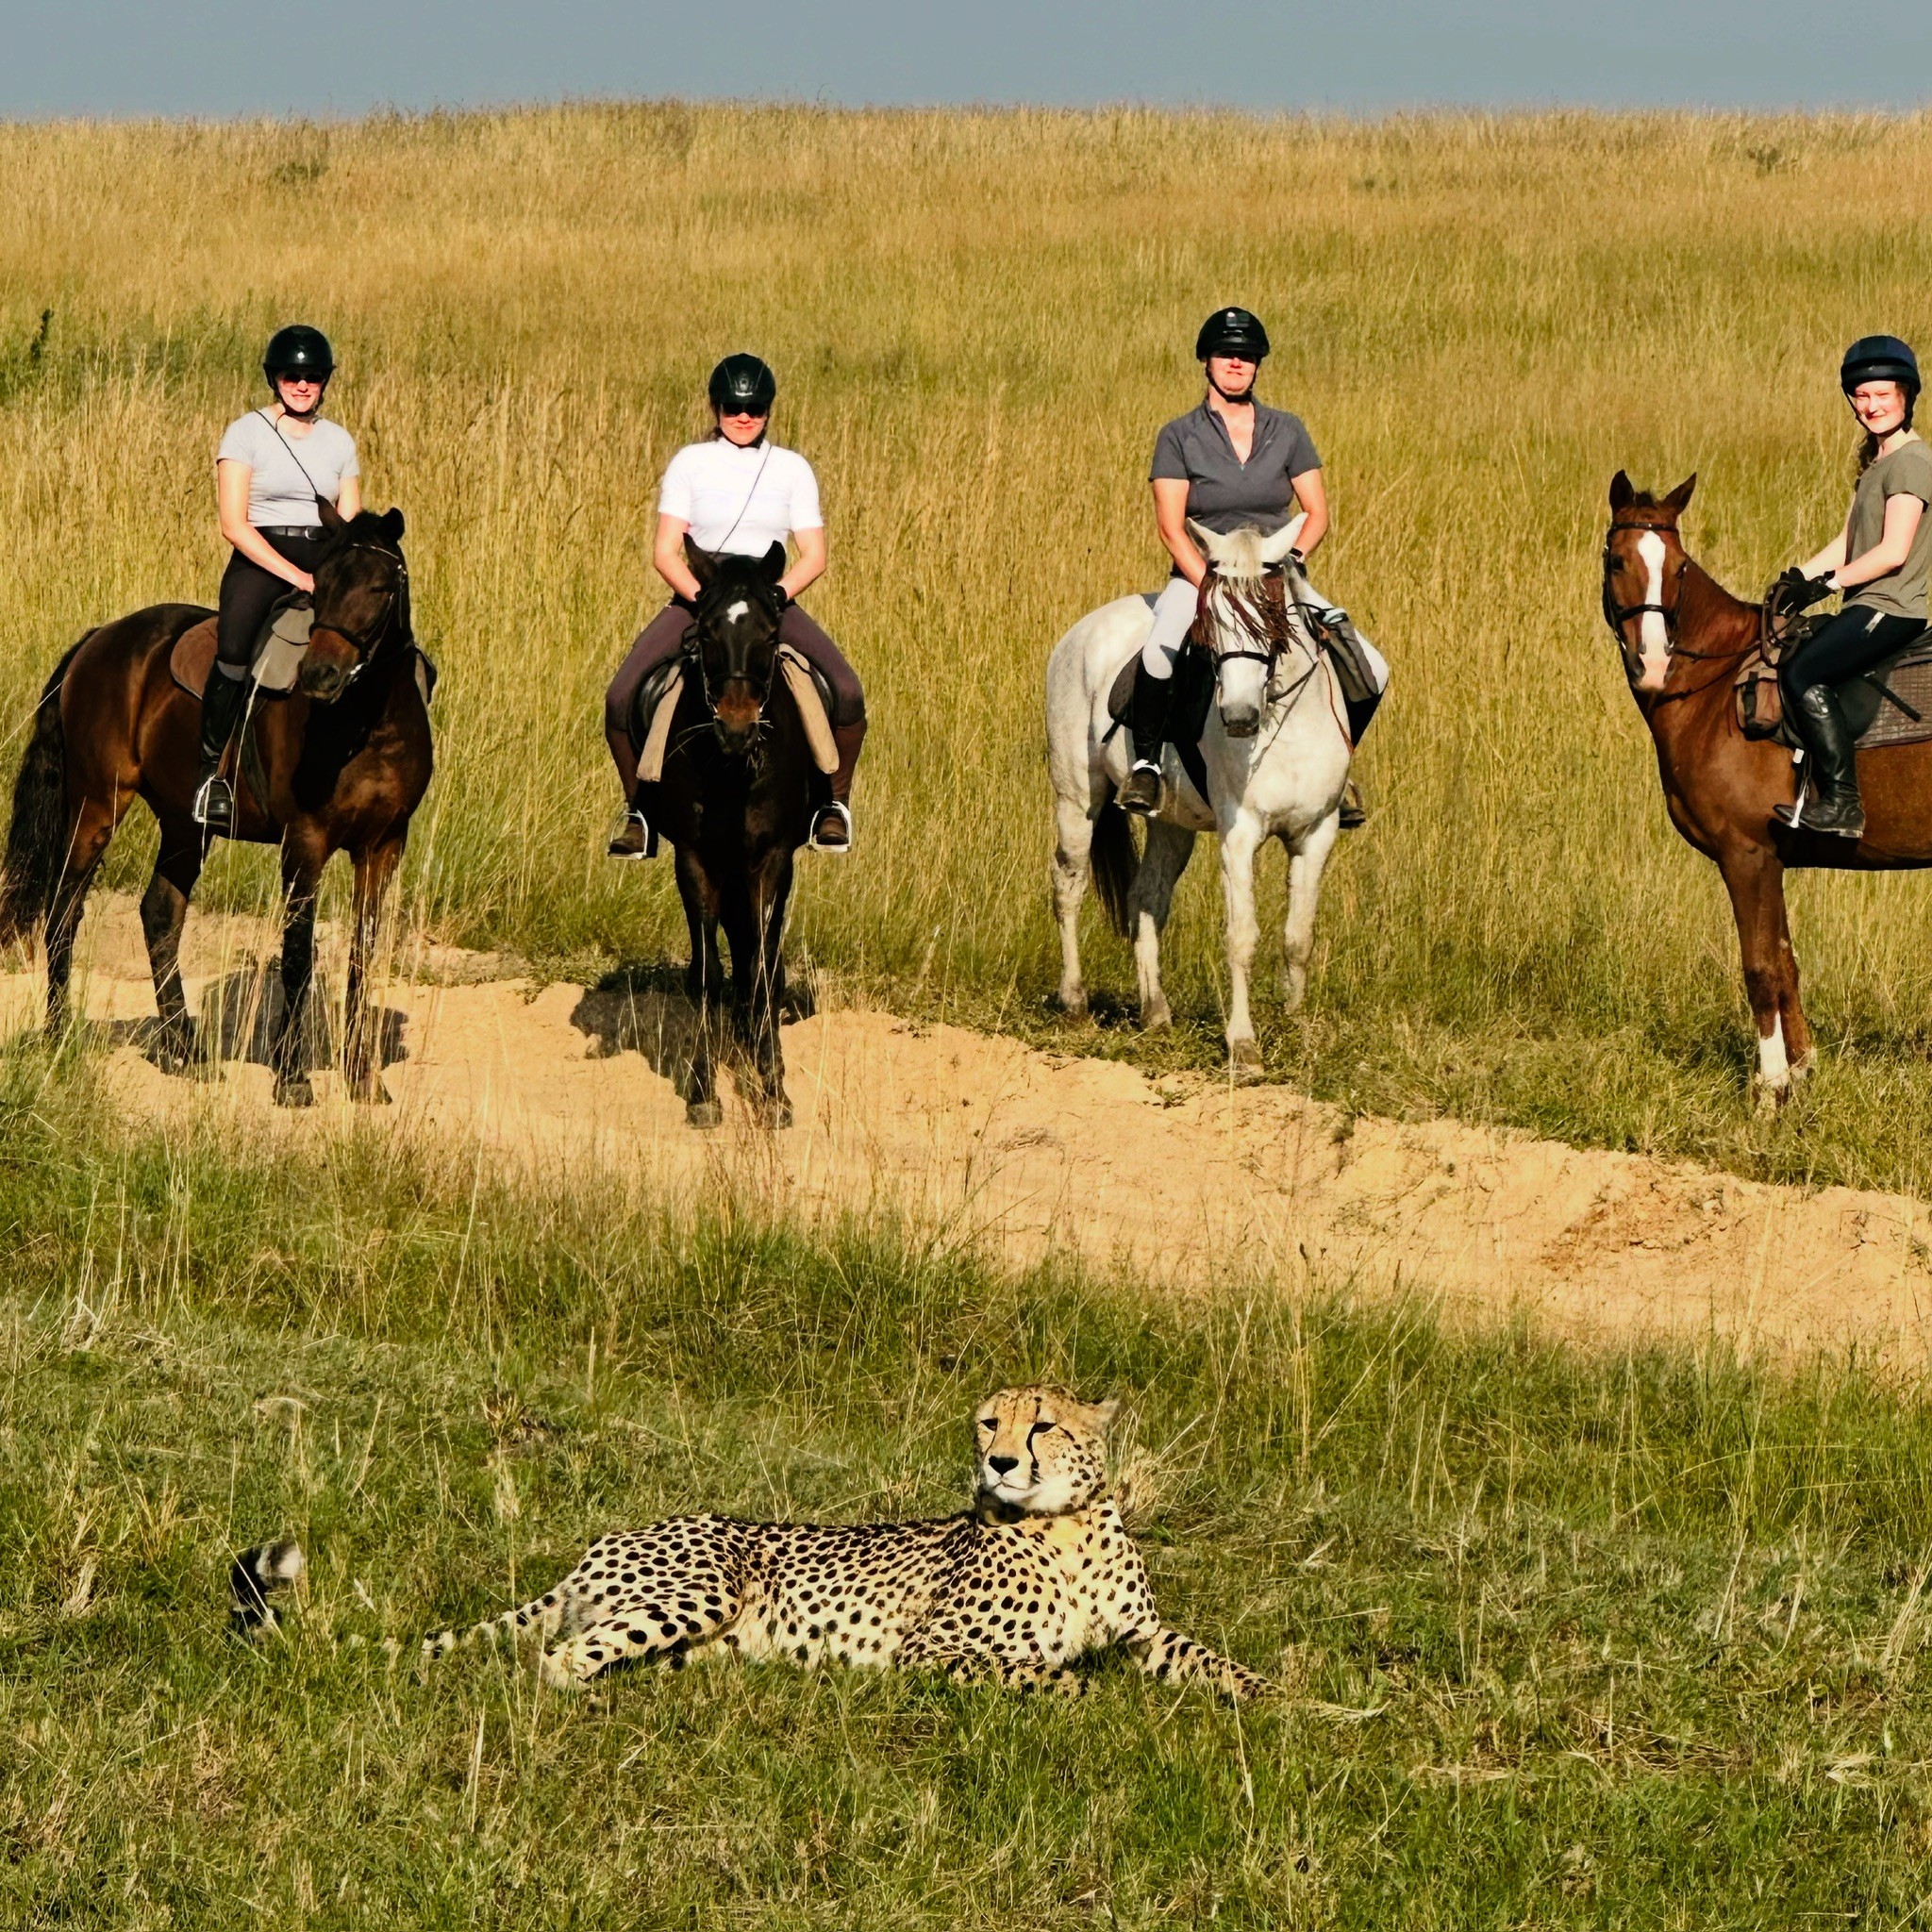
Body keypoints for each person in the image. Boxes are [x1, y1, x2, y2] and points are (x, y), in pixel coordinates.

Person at [1121, 307, 1386, 824]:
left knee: (1371, 667)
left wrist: (1292, 565)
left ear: (1258, 365)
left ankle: (1338, 771)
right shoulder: (1178, 436)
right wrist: (1215, 588)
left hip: (1275, 577)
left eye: (1246, 356)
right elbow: (1172, 527)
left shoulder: (1287, 430)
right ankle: (1148, 765)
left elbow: (1317, 510)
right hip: (1205, 578)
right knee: (1160, 650)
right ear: (1206, 361)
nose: (1236, 363)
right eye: (1226, 354)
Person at [605, 354, 866, 858]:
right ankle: (638, 811)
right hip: (700, 598)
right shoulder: (689, 463)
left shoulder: (792, 469)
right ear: (715, 406)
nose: (743, 417)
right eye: (732, 407)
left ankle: (833, 806)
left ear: (768, 410)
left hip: (769, 598)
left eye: (755, 408)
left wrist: (777, 597)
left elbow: (815, 554)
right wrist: (705, 602)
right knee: (620, 697)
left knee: (849, 694)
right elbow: (665, 550)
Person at [199, 325, 360, 832]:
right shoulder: (245, 433)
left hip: (325, 557)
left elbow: (349, 517)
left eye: (313, 377)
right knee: (234, 651)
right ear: (276, 378)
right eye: (293, 375)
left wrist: (335, 574)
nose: (303, 385)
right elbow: (233, 523)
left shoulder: (340, 441)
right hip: (260, 558)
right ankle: (211, 778)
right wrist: (295, 575)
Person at [1775, 336, 1931, 839]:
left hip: (1896, 604)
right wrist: (1798, 578)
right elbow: (1849, 542)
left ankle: (1844, 803)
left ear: (1906, 395)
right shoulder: (1877, 465)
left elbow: (1893, 550)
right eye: (1862, 397)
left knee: (1801, 672)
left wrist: (1829, 586)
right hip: (1869, 601)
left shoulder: (1912, 462)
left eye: (1883, 395)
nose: (1872, 406)